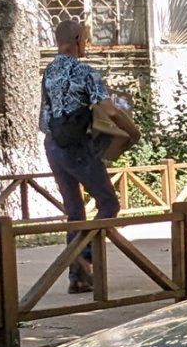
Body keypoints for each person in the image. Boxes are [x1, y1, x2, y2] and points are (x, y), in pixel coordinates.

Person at [40, 17, 141, 293]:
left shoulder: (48, 73)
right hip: (78, 149)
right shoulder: (85, 72)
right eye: (85, 38)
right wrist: (133, 133)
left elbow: (44, 119)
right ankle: (85, 262)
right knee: (108, 203)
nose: (86, 43)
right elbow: (110, 110)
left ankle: (78, 277)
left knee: (74, 212)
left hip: (53, 146)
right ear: (77, 40)